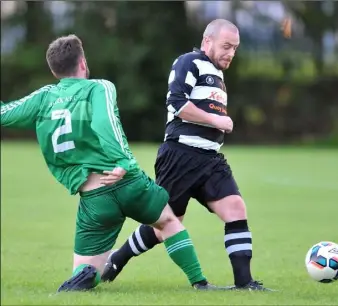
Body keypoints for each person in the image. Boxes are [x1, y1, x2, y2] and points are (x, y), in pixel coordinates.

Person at [0, 34, 220, 292]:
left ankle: (85, 277)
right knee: (169, 222)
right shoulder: (99, 87)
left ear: (52, 69)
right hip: (127, 181)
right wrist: (122, 162)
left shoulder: (43, 97)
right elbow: (104, 123)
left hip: (94, 197)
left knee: (86, 271)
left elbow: (4, 115)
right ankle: (200, 283)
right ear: (83, 63)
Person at [102, 19, 273, 291]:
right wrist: (217, 121)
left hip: (211, 159)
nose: (231, 53)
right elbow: (177, 103)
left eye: (235, 48)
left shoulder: (218, 74)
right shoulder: (189, 62)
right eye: (226, 46)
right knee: (165, 224)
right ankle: (117, 259)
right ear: (208, 42)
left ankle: (245, 284)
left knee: (236, 209)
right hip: (181, 154)